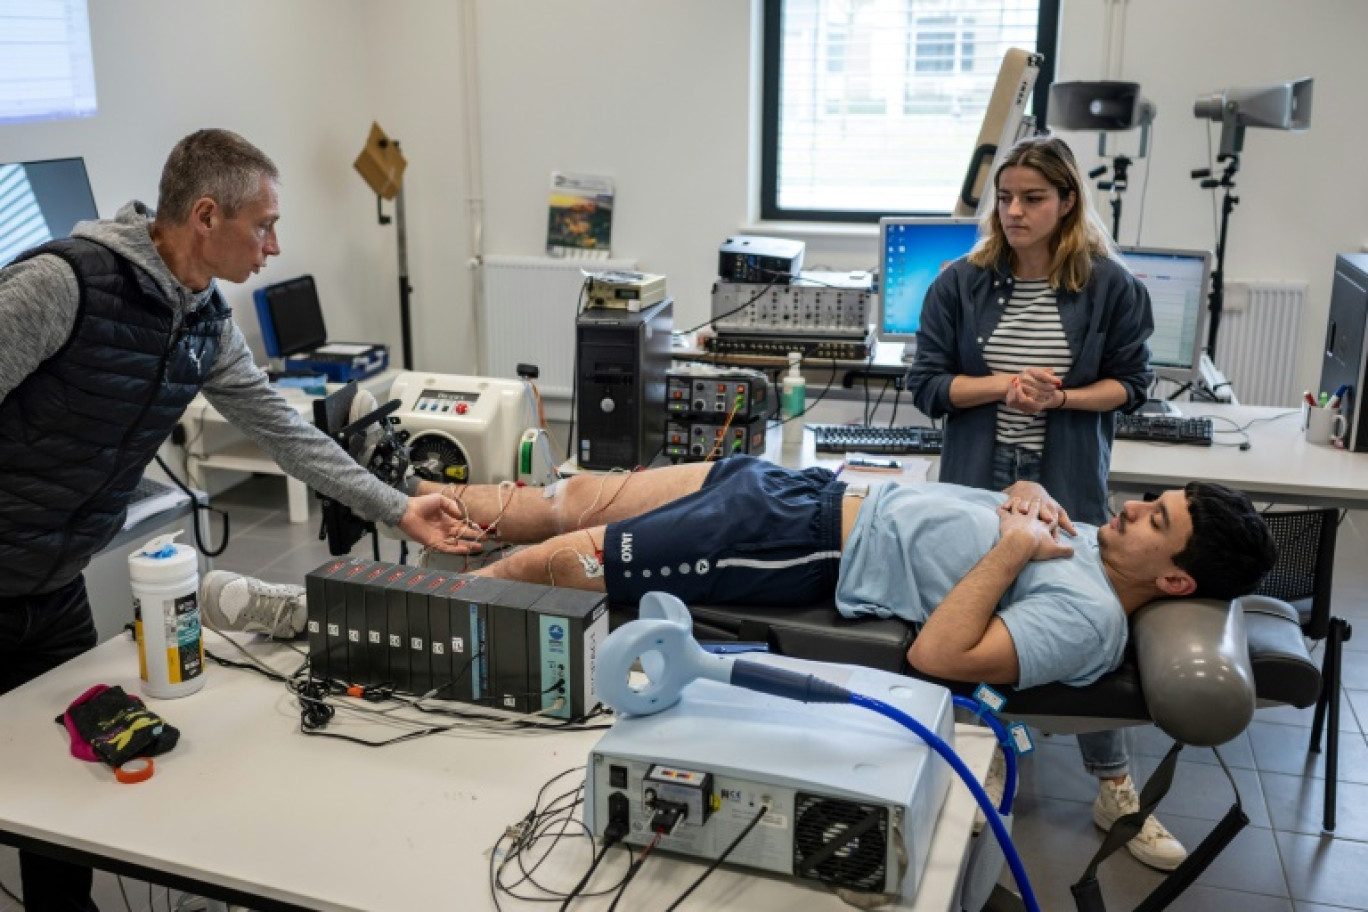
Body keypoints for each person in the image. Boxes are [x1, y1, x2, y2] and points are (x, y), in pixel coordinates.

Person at [0, 129, 467, 911]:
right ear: (207, 217)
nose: (274, 246)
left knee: (59, 793)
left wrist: (399, 508)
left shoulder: (203, 321)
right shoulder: (61, 285)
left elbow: (286, 433)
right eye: (264, 225)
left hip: (52, 585)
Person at [903, 132, 1176, 867]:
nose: (1014, 211)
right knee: (966, 610)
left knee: (1086, 624)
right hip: (976, 473)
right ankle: (964, 760)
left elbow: (1134, 384)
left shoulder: (1111, 287)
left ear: (1066, 202)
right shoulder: (961, 282)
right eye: (1005, 197)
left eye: (1032, 198)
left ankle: (1113, 785)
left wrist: (1063, 397)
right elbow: (926, 384)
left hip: (1066, 475)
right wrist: (1003, 386)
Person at [415, 459, 1274, 689]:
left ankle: (412, 623)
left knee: (563, 564)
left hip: (805, 542)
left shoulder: (1091, 622)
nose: (1131, 510)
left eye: (1155, 521)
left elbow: (941, 655)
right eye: (1151, 499)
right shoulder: (1092, 541)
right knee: (578, 498)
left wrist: (1011, 545)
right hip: (807, 491)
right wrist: (1019, 494)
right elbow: (995, 515)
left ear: (1175, 584)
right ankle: (414, 509)